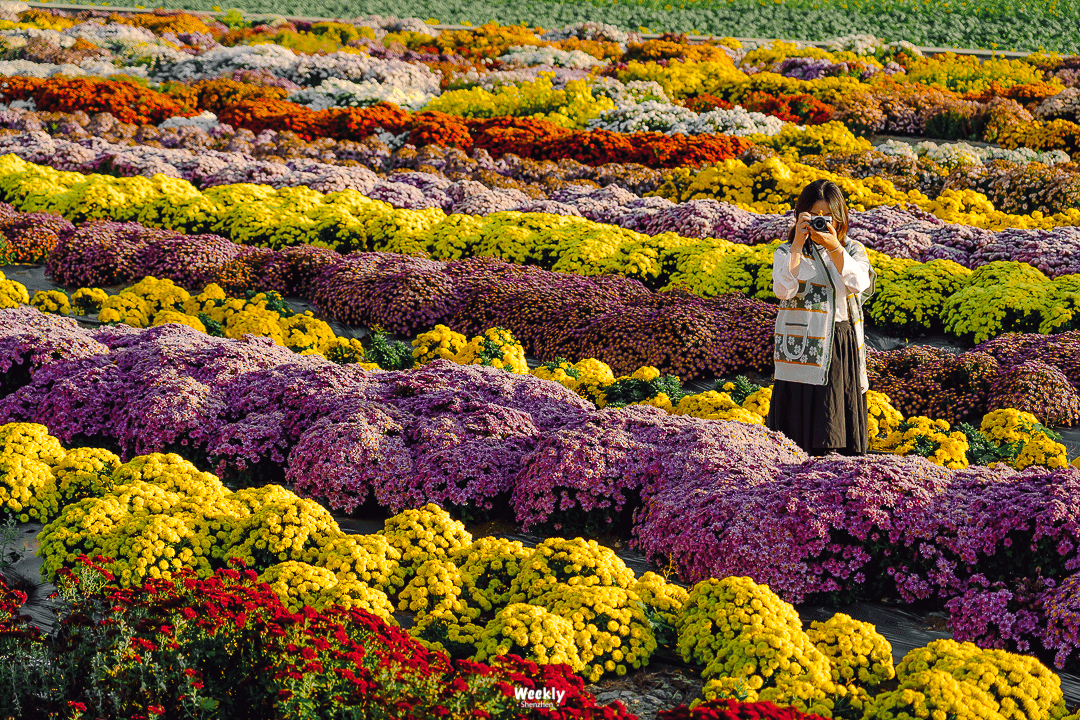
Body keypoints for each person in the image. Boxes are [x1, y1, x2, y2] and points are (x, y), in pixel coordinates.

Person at [766, 179, 876, 456]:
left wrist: (835, 248)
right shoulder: (787, 250)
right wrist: (796, 246)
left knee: (833, 426)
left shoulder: (851, 249)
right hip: (799, 348)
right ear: (801, 215)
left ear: (840, 218)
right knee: (796, 434)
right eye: (816, 216)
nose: (823, 223)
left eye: (829, 217)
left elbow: (859, 283)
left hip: (840, 344)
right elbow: (783, 289)